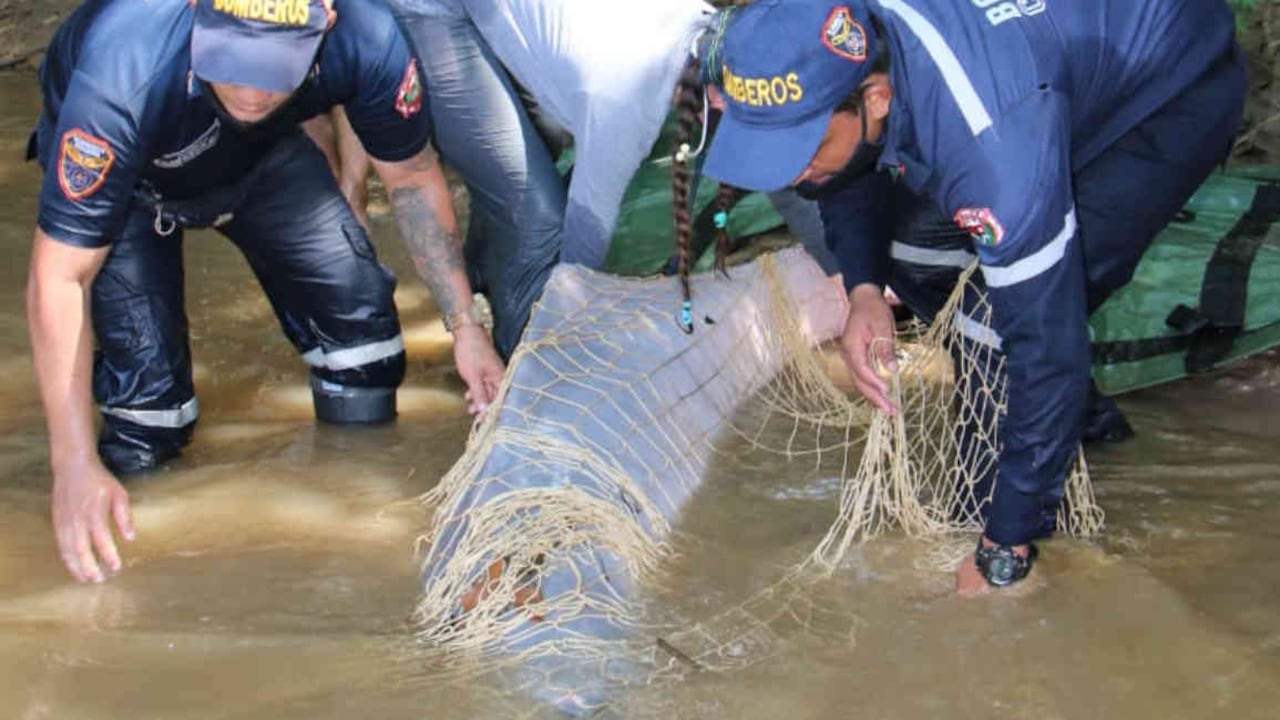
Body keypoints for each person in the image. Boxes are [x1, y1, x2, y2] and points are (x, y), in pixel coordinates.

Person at [701, 0, 1246, 593]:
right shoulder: (838, 43)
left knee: (996, 323)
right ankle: (1075, 425)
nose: (792, 176)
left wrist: (1002, 548)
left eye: (802, 151)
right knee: (911, 252)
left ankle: (1020, 505)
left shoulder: (991, 147)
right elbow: (840, 174)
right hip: (1045, 78)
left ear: (876, 98)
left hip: (1170, 91)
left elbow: (1045, 339)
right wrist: (863, 290)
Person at [27, 0, 504, 583]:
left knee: (367, 351)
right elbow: (60, 275)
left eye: (273, 67)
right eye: (232, 61)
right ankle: (134, 561)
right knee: (149, 418)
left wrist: (467, 327)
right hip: (130, 189)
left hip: (264, 159)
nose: (252, 91)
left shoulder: (365, 36)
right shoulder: (125, 63)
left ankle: (349, 545)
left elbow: (409, 176)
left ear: (324, 26)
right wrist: (72, 464)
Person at [324, 0, 839, 357]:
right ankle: (512, 374)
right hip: (437, 13)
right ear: (722, 98)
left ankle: (483, 289)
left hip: (539, 30)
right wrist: (566, 361)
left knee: (520, 177)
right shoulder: (626, 104)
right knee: (537, 217)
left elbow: (783, 179)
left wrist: (852, 278)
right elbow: (579, 257)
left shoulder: (719, 41)